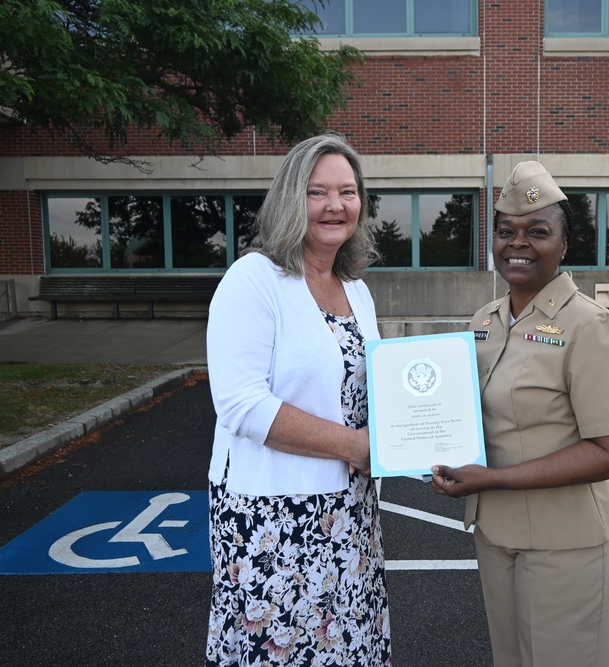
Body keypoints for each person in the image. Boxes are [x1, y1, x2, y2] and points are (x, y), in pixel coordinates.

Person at [430, 161, 609, 667]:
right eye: (506, 232)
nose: (517, 243)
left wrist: (496, 479)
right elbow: (465, 411)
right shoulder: (485, 320)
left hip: (565, 541)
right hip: (496, 533)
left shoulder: (590, 326)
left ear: (564, 245)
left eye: (537, 231)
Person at [204, 133, 391, 667]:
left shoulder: (354, 288)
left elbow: (368, 386)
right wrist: (355, 445)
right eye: (318, 192)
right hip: (274, 518)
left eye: (348, 192)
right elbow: (241, 404)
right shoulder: (254, 279)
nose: (336, 205)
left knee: (348, 644)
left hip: (348, 511)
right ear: (291, 199)